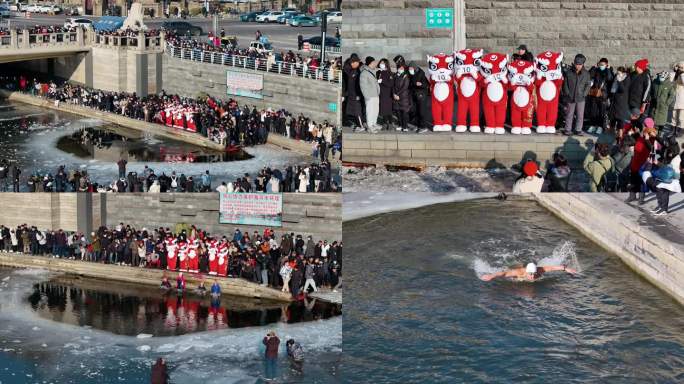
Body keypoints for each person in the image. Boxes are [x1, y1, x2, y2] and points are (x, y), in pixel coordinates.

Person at [626, 121, 657, 204]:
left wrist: (647, 138)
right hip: (635, 163)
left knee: (641, 182)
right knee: (633, 180)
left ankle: (641, 198)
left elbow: (652, 148)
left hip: (642, 165)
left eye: (645, 126)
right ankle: (632, 196)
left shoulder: (651, 140)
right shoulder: (640, 137)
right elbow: (632, 139)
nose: (643, 128)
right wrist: (633, 133)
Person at [562, 54, 592, 136]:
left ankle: (578, 129)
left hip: (581, 97)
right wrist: (567, 93)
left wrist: (584, 94)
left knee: (580, 115)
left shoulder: (586, 74)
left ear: (582, 64)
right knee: (569, 114)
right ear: (574, 63)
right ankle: (567, 129)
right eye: (576, 64)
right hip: (570, 97)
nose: (578, 66)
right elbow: (565, 84)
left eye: (579, 64)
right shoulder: (569, 72)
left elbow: (588, 84)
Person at [586, 58, 614, 135]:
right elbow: (589, 75)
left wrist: (608, 69)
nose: (601, 66)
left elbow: (609, 79)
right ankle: (593, 125)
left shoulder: (609, 71)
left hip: (603, 95)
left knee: (602, 112)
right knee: (593, 111)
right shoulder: (596, 70)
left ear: (607, 65)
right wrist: (593, 67)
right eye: (600, 64)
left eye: (603, 64)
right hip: (594, 94)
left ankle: (600, 127)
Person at [481, 262, 577, 282]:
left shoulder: (539, 270)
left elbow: (552, 268)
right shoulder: (519, 272)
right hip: (518, 270)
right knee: (514, 267)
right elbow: (503, 273)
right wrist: (491, 276)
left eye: (534, 274)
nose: (532, 276)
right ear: (527, 272)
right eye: (530, 274)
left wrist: (566, 269)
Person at [342, 54, 364, 130]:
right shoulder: (351, 71)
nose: (351, 64)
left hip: (357, 95)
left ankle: (361, 126)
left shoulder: (359, 71)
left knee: (357, 111)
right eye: (351, 63)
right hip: (351, 94)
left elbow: (359, 84)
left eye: (353, 62)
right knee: (353, 111)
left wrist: (359, 94)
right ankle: (358, 125)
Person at [359, 56, 380, 132]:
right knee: (370, 111)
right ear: (370, 63)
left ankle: (374, 123)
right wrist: (367, 96)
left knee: (375, 110)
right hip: (369, 96)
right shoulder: (364, 73)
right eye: (374, 62)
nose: (375, 63)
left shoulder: (372, 71)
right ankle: (370, 126)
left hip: (375, 94)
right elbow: (363, 86)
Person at [408, 61, 430, 132]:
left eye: (411, 68)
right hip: (415, 95)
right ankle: (418, 125)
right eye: (409, 68)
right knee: (416, 111)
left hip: (421, 95)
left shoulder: (421, 74)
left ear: (414, 68)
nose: (410, 70)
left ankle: (423, 127)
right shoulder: (412, 74)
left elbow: (426, 84)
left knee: (421, 111)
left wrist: (420, 84)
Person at [628, 59, 652, 124]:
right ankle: (631, 131)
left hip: (639, 102)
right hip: (631, 100)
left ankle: (637, 131)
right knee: (631, 118)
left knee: (637, 118)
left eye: (636, 67)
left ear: (640, 67)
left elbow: (647, 91)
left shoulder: (646, 76)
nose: (635, 68)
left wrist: (644, 103)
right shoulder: (633, 74)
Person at [393, 63, 412, 132]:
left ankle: (405, 126)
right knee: (398, 112)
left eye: (402, 68)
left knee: (404, 112)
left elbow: (405, 87)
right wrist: (394, 94)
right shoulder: (395, 75)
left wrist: (397, 94)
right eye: (399, 68)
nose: (400, 69)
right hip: (396, 97)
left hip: (403, 97)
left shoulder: (405, 76)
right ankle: (400, 125)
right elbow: (393, 85)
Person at [377, 58, 395, 131]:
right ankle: (384, 123)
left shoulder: (390, 73)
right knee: (383, 109)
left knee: (389, 110)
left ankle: (390, 123)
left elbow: (390, 84)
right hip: (381, 93)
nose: (381, 64)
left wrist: (382, 81)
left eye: (383, 63)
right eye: (381, 63)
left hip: (388, 94)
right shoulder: (379, 72)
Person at [672, 61, 684, 136]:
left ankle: (681, 129)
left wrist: (682, 74)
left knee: (681, 116)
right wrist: (675, 72)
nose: (680, 69)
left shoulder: (682, 75)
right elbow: (672, 82)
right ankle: (673, 128)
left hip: (682, 100)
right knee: (673, 115)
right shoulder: (676, 75)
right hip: (675, 99)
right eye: (679, 67)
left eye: (681, 68)